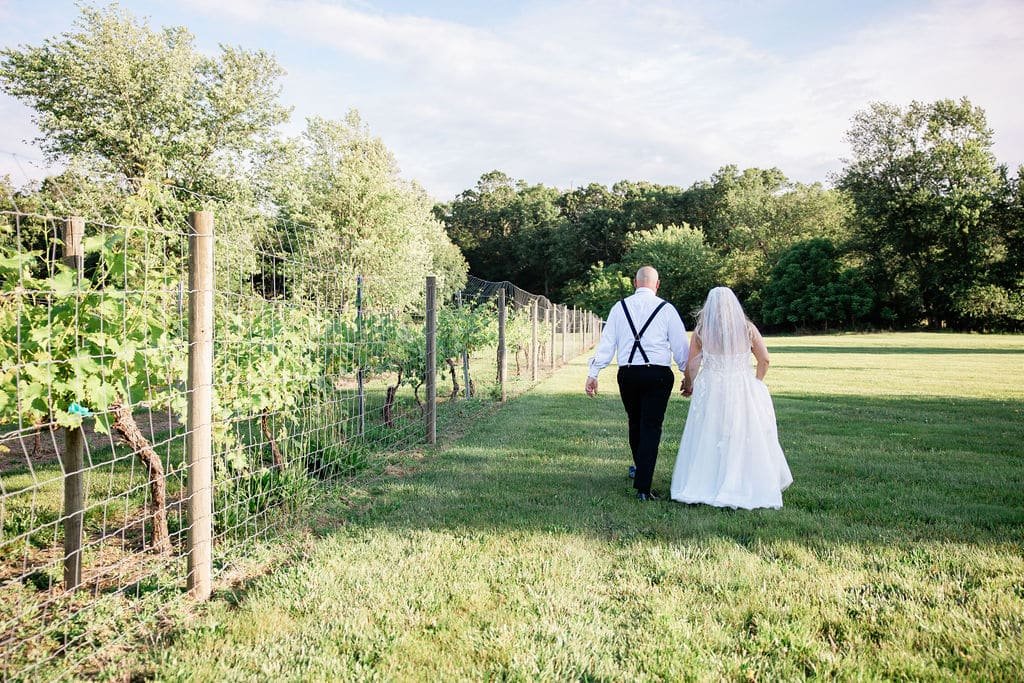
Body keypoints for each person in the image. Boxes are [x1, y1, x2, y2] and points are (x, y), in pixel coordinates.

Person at [670, 286, 792, 509]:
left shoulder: (701, 332)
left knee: (709, 432)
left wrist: (689, 386)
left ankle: (707, 481)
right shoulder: (747, 329)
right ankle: (743, 481)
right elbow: (765, 359)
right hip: (740, 387)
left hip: (712, 389)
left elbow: (692, 365)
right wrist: (756, 381)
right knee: (742, 433)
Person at [585, 266, 689, 501]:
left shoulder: (619, 308)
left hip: (629, 374)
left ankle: (641, 471)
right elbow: (680, 347)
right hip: (658, 375)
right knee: (651, 427)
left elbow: (607, 344)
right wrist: (687, 374)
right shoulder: (667, 309)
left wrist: (594, 373)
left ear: (635, 282)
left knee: (635, 423)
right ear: (657, 284)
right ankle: (643, 486)